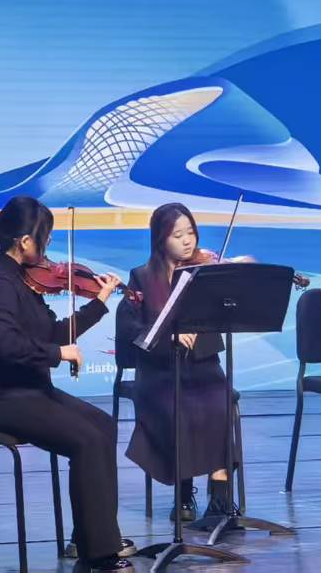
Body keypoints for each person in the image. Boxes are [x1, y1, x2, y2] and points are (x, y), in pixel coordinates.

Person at [0, 196, 132, 572]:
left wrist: (99, 302)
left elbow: (52, 332)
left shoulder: (20, 277)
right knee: (86, 440)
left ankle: (93, 535)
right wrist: (58, 354)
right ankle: (98, 555)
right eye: (46, 237)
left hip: (26, 388)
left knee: (102, 426)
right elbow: (6, 346)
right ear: (25, 241)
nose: (50, 245)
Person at [123, 203, 240, 527]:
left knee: (219, 402)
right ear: (161, 239)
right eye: (178, 235)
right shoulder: (141, 277)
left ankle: (220, 491)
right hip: (160, 369)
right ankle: (183, 489)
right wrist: (168, 336)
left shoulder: (204, 271)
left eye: (191, 233)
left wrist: (235, 279)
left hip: (203, 364)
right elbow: (131, 329)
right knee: (179, 407)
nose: (188, 241)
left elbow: (226, 310)